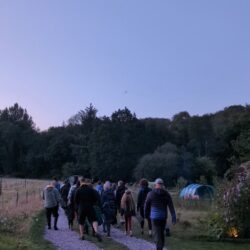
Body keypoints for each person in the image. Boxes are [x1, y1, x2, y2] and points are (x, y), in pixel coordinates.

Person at [145, 178, 176, 250]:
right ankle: (160, 247)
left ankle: (159, 248)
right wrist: (173, 217)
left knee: (157, 234)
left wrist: (146, 214)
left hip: (154, 217)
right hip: (163, 217)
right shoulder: (166, 194)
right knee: (161, 233)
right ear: (162, 185)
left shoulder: (151, 193)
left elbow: (146, 205)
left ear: (155, 185)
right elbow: (171, 206)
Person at [74, 177, 102, 241]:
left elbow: (75, 200)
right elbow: (96, 198)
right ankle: (96, 231)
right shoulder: (91, 190)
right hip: (90, 206)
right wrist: (92, 202)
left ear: (81, 182)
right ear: (86, 182)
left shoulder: (78, 190)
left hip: (82, 207)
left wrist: (78, 205)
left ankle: (82, 235)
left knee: (81, 222)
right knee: (94, 220)